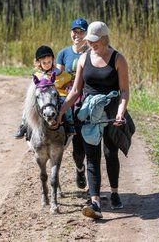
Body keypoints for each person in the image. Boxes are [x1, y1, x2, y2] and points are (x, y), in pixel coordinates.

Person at [57, 21, 131, 219]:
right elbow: (75, 90)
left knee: (110, 153)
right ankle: (95, 202)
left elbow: (124, 91)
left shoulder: (118, 59)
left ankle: (114, 193)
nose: (92, 44)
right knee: (92, 157)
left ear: (105, 38)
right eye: (90, 41)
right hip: (89, 114)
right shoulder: (83, 59)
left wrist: (120, 113)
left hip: (111, 113)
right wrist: (62, 111)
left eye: (95, 40)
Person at [14, 45, 75, 138]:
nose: (47, 64)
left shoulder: (59, 73)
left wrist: (69, 83)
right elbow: (33, 89)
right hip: (42, 98)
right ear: (39, 63)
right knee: (28, 108)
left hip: (57, 95)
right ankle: (23, 126)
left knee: (66, 105)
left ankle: (70, 124)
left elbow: (70, 79)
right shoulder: (38, 75)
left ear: (53, 61)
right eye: (44, 62)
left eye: (49, 62)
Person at [56, 18, 89, 190]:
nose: (77, 35)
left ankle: (84, 170)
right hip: (69, 98)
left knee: (83, 145)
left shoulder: (92, 52)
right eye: (74, 31)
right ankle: (79, 168)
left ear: (87, 33)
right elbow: (58, 76)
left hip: (85, 98)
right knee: (76, 147)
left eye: (81, 31)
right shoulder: (63, 53)